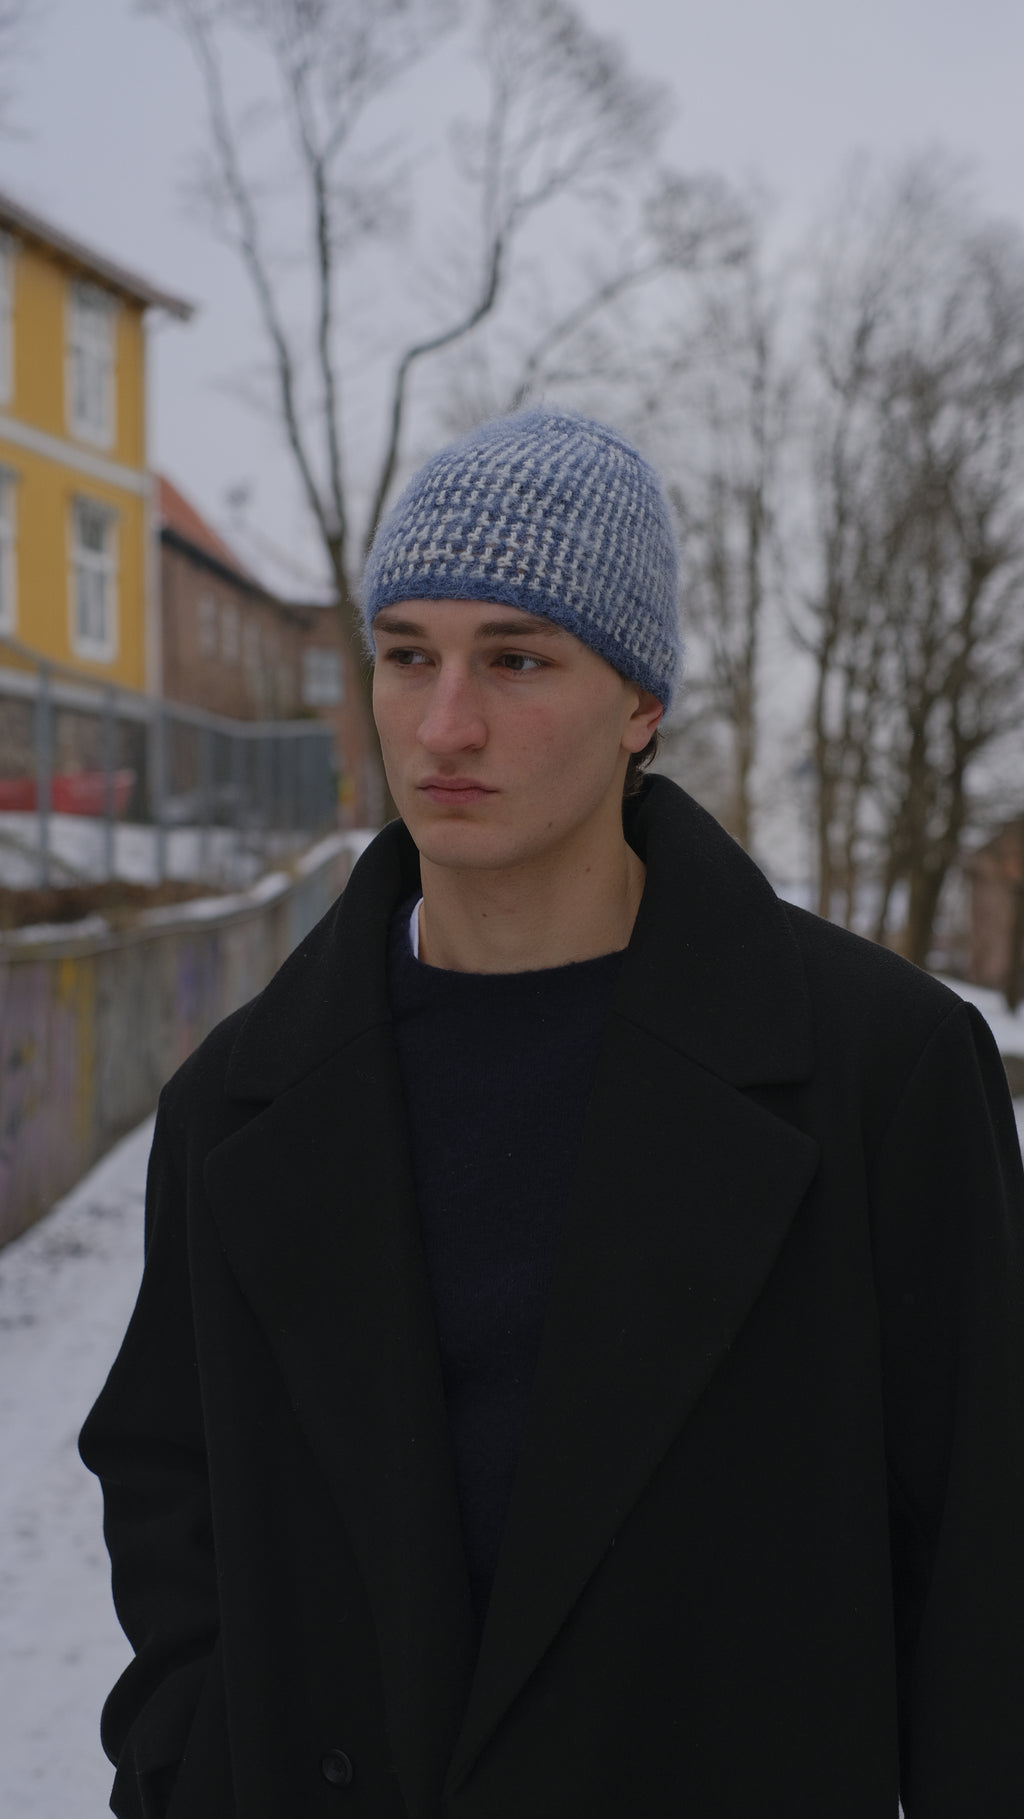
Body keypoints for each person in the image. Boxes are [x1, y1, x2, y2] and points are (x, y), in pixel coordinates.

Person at [81, 408, 1024, 1819]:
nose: (444, 725)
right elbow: (169, 1483)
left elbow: (984, 1570)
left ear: (640, 703)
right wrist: (189, 1759)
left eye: (516, 659)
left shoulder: (884, 1072)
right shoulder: (237, 1099)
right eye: (408, 655)